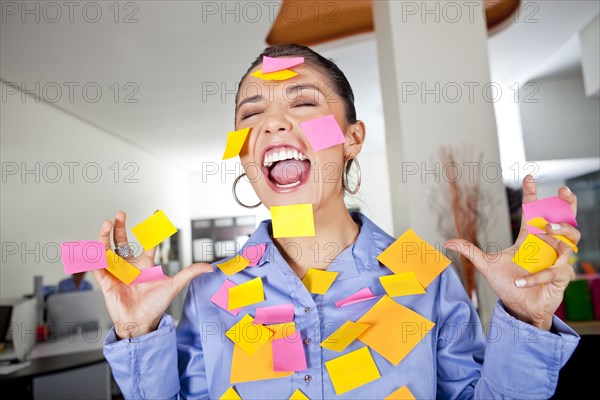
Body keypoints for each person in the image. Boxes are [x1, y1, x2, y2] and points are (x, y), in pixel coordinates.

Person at [93, 44, 580, 399]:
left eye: (303, 103)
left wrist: (527, 319)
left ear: (352, 138)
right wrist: (139, 334)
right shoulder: (208, 292)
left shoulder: (425, 275)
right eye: (251, 113)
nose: (272, 123)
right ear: (242, 154)